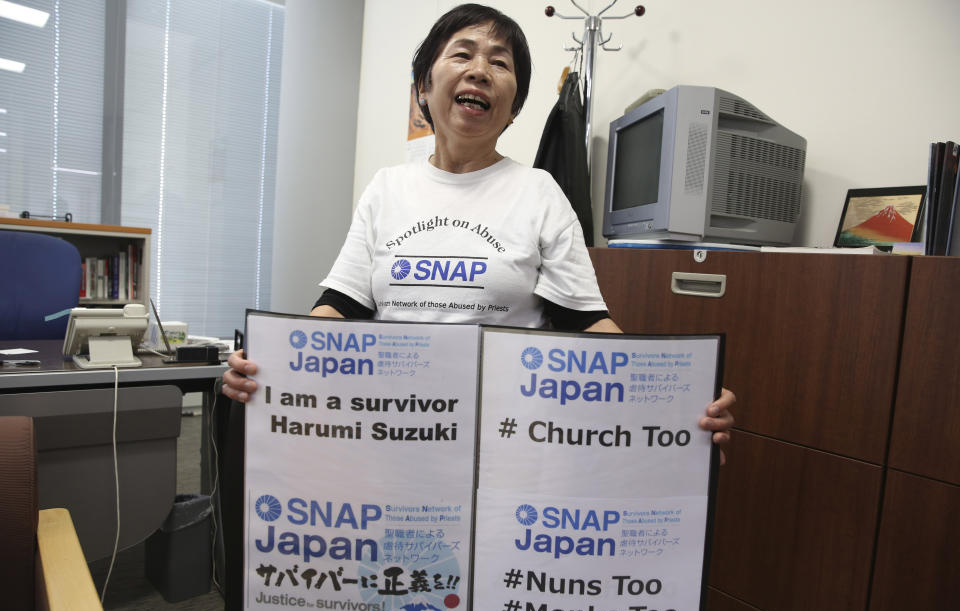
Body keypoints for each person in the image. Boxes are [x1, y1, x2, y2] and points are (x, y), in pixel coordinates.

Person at [221, 3, 734, 449]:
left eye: (500, 63)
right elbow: (339, 307)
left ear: (513, 106)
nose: (480, 71)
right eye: (462, 54)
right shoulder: (386, 189)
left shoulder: (539, 192)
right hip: (387, 431)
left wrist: (679, 398)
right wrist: (272, 366)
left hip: (503, 437)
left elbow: (587, 324)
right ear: (425, 86)